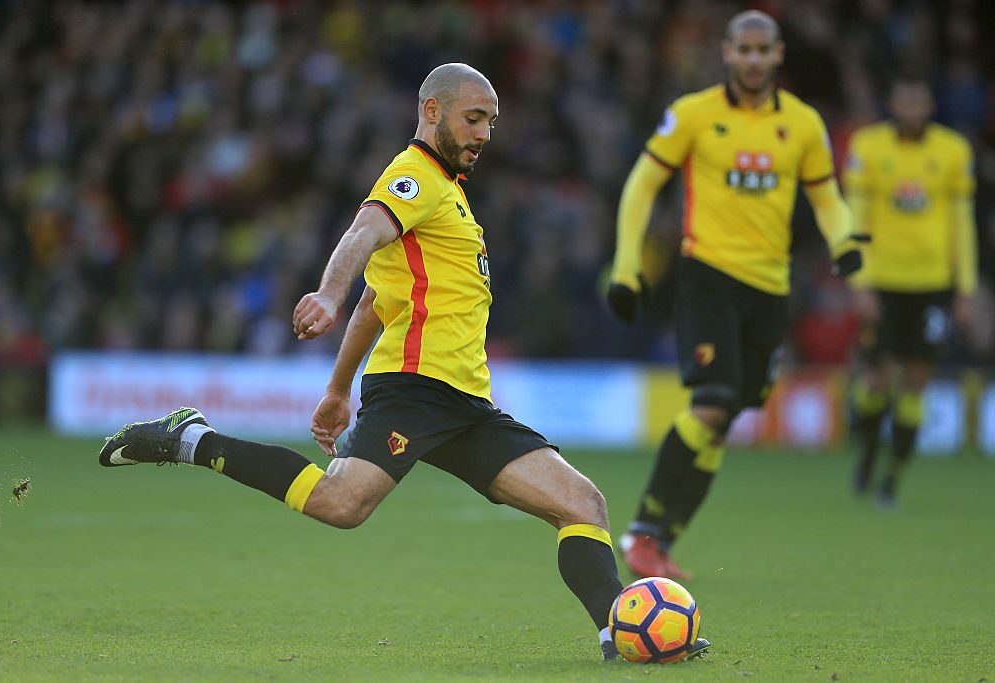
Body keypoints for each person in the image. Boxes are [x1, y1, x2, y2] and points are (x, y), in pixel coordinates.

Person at [98, 63, 708, 662]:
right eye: (474, 119)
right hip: (414, 390)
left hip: (466, 403)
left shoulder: (451, 198)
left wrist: (338, 390)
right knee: (342, 505)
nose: (484, 135)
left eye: (492, 122)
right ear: (432, 111)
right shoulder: (413, 175)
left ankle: (621, 635)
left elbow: (378, 299)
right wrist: (326, 294)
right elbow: (363, 235)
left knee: (583, 504)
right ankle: (194, 440)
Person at [607, 11, 866, 579]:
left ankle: (662, 538)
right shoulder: (693, 115)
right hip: (708, 277)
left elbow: (826, 196)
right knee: (714, 401)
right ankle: (643, 535)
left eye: (762, 50)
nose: (752, 59)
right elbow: (643, 183)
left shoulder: (802, 124)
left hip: (771, 289)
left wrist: (845, 239)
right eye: (742, 49)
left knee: (726, 420)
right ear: (726, 52)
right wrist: (628, 267)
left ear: (778, 56)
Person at [844, 74, 977, 508]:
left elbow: (962, 223)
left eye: (920, 102)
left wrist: (965, 288)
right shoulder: (868, 147)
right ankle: (866, 452)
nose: (912, 110)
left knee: (917, 382)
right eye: (905, 101)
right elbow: (856, 217)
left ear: (931, 105)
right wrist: (859, 281)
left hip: (932, 285)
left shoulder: (953, 151)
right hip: (882, 283)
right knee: (875, 380)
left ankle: (892, 478)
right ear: (893, 103)